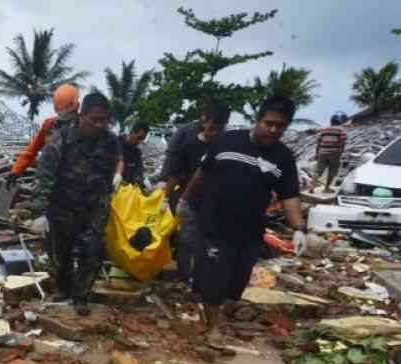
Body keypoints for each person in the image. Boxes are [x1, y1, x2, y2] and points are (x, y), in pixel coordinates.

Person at [180, 95, 308, 348]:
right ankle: (214, 327)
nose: (273, 129)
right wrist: (184, 201)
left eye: (280, 126)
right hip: (214, 224)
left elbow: (289, 195)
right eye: (269, 123)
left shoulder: (283, 158)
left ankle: (213, 311)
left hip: (249, 231)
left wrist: (299, 229)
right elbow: (201, 175)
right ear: (257, 120)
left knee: (236, 282)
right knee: (215, 276)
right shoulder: (226, 142)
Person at [33, 92, 122, 316]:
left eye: (104, 120)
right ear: (81, 115)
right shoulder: (61, 139)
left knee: (92, 250)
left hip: (94, 206)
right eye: (95, 119)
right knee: (60, 253)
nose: (100, 124)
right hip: (63, 205)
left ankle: (81, 296)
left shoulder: (110, 140)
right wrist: (39, 212)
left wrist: (115, 178)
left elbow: (115, 162)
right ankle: (63, 289)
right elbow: (45, 176)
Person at [160, 100, 231, 283]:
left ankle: (204, 276)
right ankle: (185, 277)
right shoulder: (189, 143)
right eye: (212, 128)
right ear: (204, 121)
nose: (215, 133)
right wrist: (165, 197)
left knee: (209, 241)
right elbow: (175, 173)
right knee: (187, 239)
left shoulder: (225, 146)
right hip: (189, 198)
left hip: (214, 202)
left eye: (220, 129)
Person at [7, 84, 80, 188]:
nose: (62, 116)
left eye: (66, 113)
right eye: (60, 113)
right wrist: (15, 171)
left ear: (76, 107)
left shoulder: (85, 130)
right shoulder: (49, 125)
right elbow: (31, 152)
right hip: (44, 185)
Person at [316, 112, 348, 192]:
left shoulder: (324, 129)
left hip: (322, 153)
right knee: (332, 171)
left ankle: (311, 187)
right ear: (340, 121)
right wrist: (340, 152)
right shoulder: (341, 130)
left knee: (318, 171)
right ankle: (326, 188)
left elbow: (318, 142)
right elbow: (342, 142)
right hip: (334, 153)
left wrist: (317, 152)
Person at [118, 121, 150, 189]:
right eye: (139, 138)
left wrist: (138, 179)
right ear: (132, 132)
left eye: (143, 139)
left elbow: (139, 169)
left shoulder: (137, 152)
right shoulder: (114, 143)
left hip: (127, 189)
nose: (140, 142)